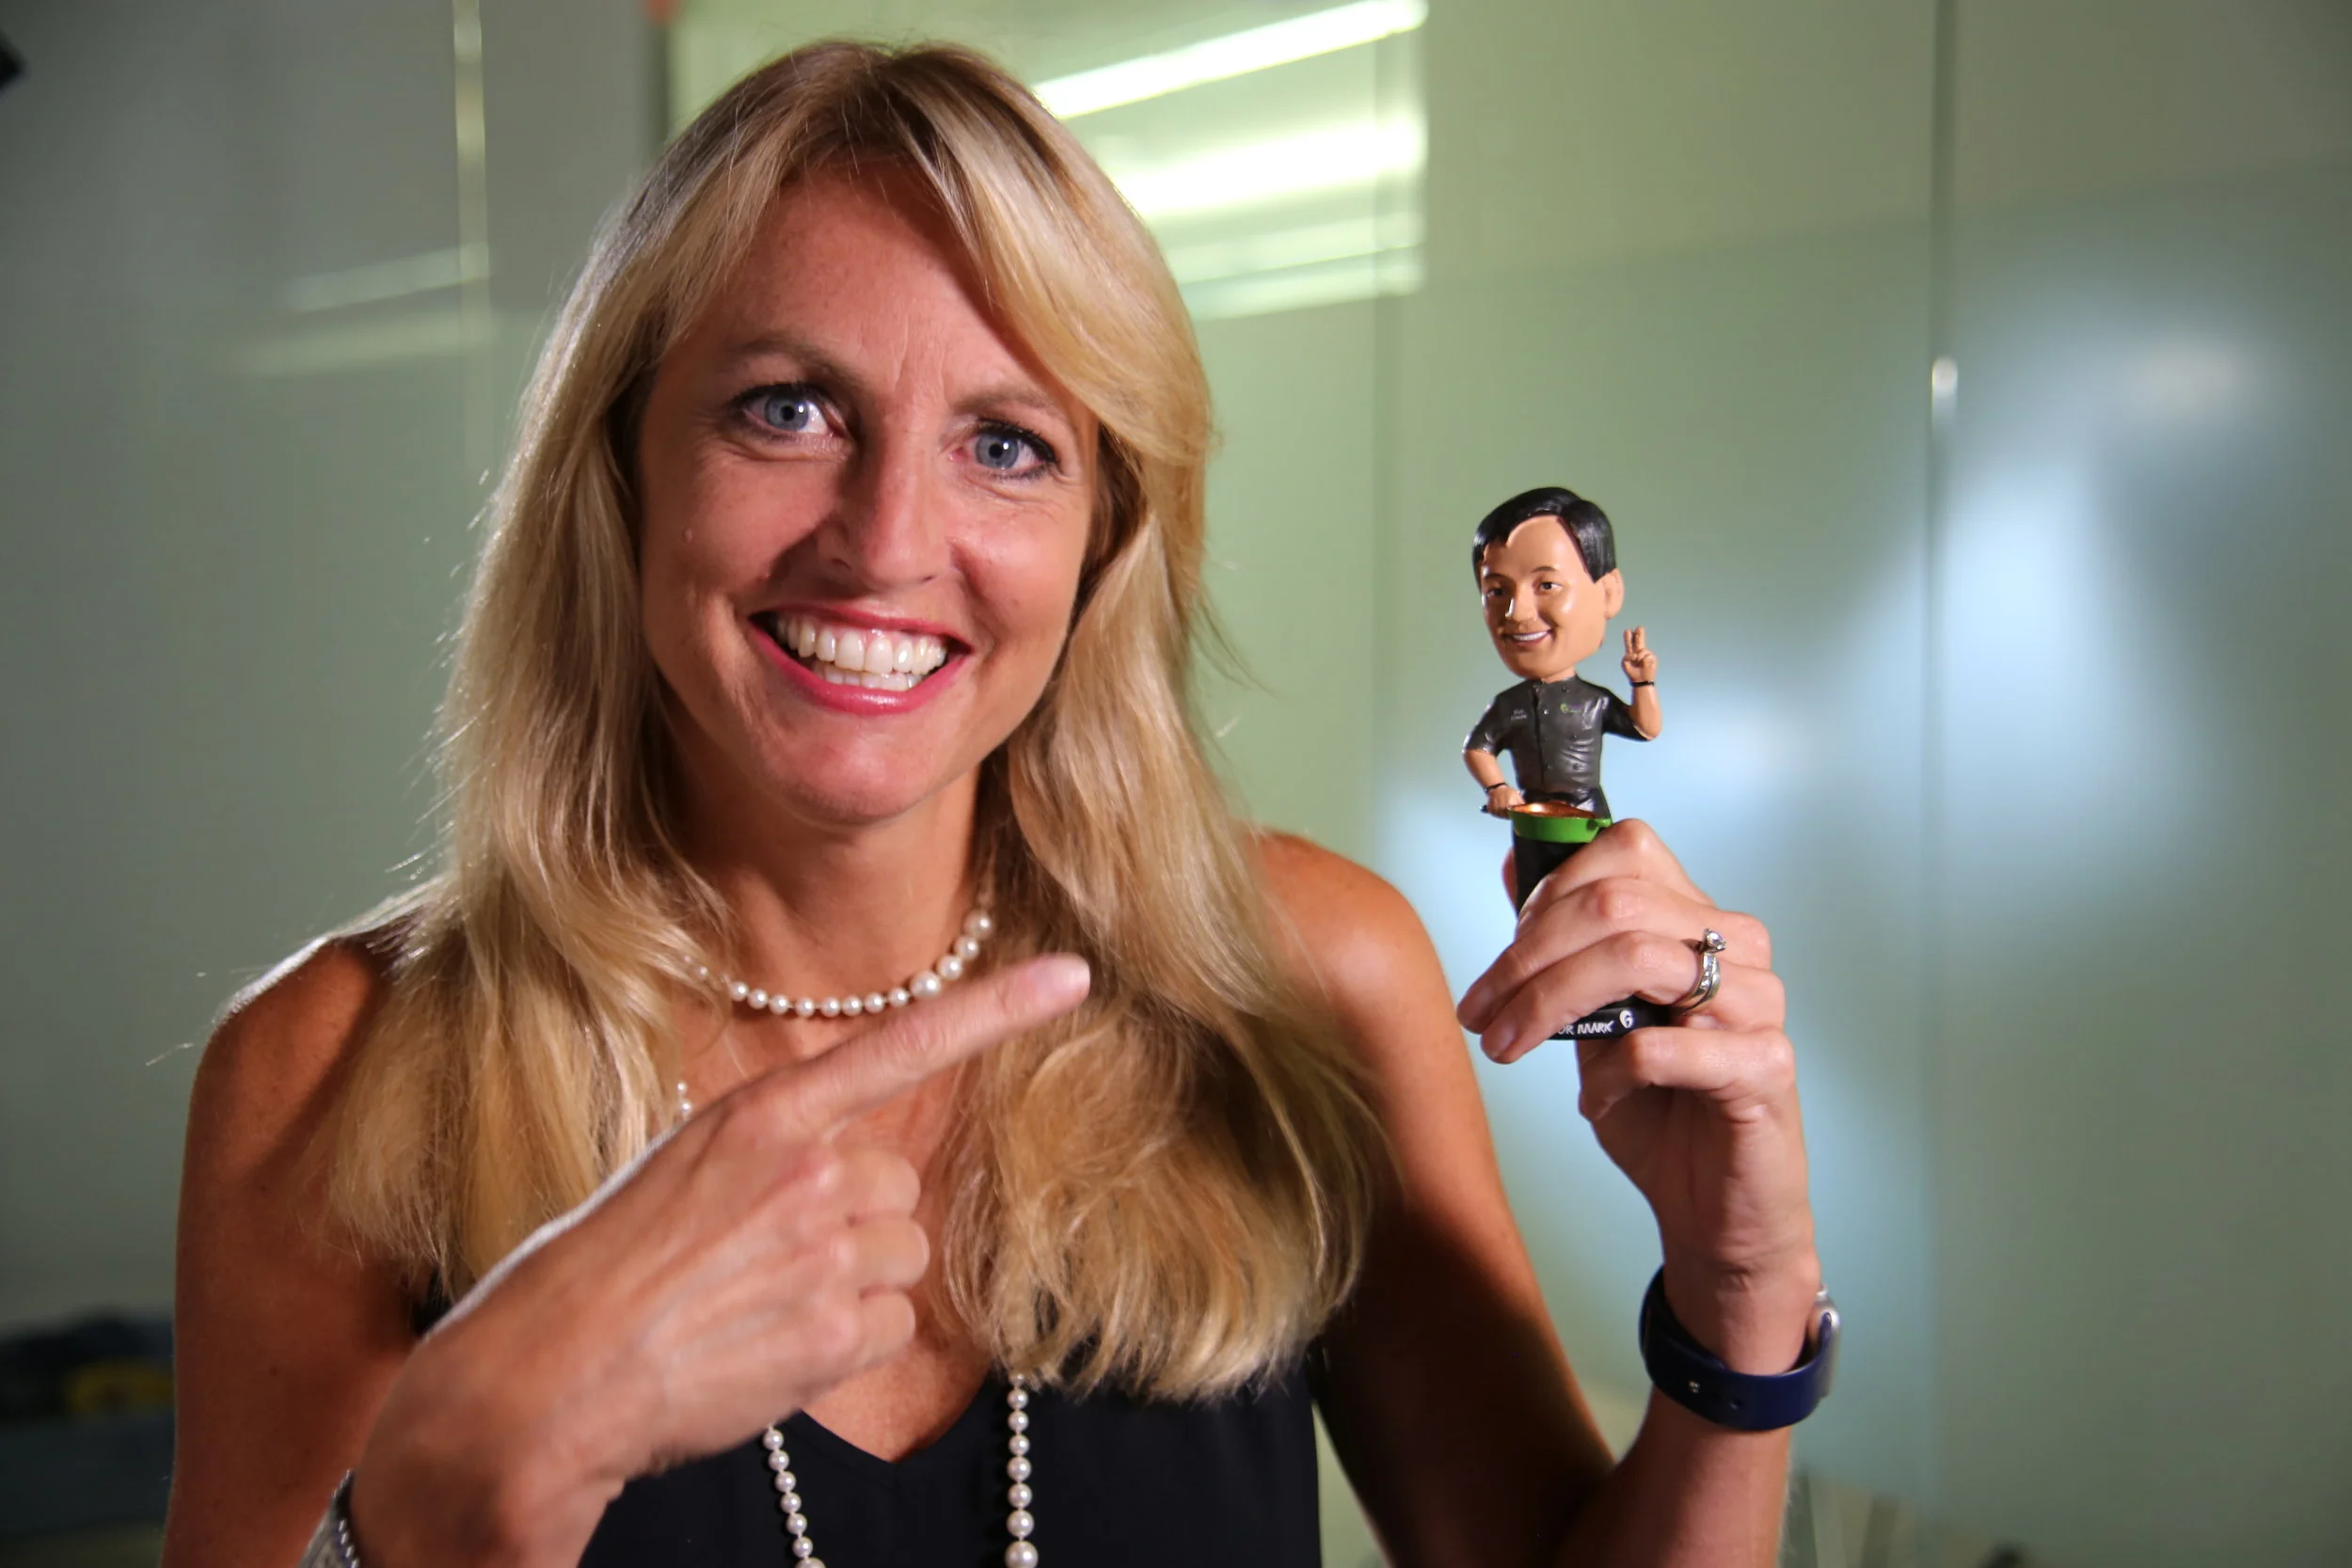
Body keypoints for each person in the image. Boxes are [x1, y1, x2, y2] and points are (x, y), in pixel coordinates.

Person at [163, 40, 1821, 1568]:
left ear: (1105, 536)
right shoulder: (336, 1075)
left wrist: (1741, 1298)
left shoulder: (1303, 985)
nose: (887, 541)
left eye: (1008, 444)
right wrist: (413, 1521)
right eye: (787, 409)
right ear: (620, 468)